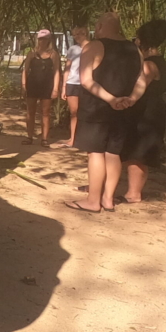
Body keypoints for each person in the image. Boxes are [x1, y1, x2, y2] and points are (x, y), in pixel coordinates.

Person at [66, 12, 146, 213]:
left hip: (97, 109)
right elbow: (142, 79)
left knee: (96, 153)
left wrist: (110, 99)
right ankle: (108, 199)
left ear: (100, 26)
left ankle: (93, 201)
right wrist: (131, 99)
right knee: (113, 154)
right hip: (124, 110)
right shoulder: (135, 49)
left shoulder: (93, 46)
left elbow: (86, 80)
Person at [119, 19, 166, 204]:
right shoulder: (160, 61)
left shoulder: (149, 65)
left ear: (143, 41)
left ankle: (133, 194)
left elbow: (141, 85)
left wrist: (130, 99)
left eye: (137, 39)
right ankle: (133, 191)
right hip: (153, 110)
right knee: (137, 152)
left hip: (146, 113)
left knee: (138, 153)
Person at [21, 29, 60, 147]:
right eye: (41, 39)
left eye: (45, 39)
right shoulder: (32, 53)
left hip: (47, 85)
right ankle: (29, 136)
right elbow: (25, 70)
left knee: (46, 113)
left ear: (49, 40)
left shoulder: (53, 54)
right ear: (38, 39)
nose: (43, 41)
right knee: (30, 112)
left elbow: (57, 72)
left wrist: (55, 88)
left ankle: (44, 139)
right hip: (32, 84)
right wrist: (23, 85)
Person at [59, 25, 90, 147]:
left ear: (85, 33)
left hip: (87, 83)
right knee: (74, 112)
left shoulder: (94, 47)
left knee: (87, 112)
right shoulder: (73, 49)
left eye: (79, 34)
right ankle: (72, 138)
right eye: (74, 35)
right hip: (72, 82)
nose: (76, 37)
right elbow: (67, 68)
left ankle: (86, 139)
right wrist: (63, 86)